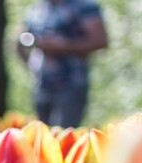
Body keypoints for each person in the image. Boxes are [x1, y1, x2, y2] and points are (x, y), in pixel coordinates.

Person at [18, 0, 108, 128]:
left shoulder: (85, 6)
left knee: (65, 132)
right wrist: (31, 63)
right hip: (41, 85)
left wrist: (65, 47)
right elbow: (21, 39)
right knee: (41, 133)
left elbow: (100, 41)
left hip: (71, 84)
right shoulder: (38, 8)